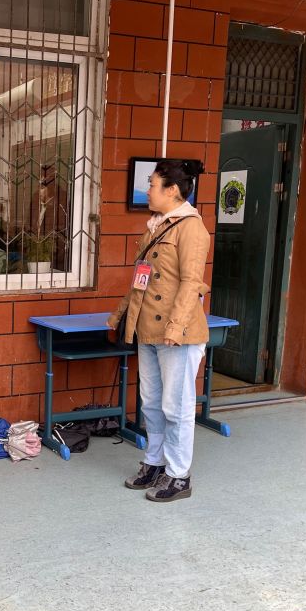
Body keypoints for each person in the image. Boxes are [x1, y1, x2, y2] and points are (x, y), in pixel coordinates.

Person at [107, 159, 210, 503]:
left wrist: (176, 326)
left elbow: (191, 282)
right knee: (151, 403)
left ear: (172, 190)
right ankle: (154, 462)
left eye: (152, 184)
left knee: (176, 407)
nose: (147, 190)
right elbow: (141, 279)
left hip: (176, 333)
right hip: (148, 328)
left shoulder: (190, 228)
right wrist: (120, 315)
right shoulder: (155, 227)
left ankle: (179, 475)